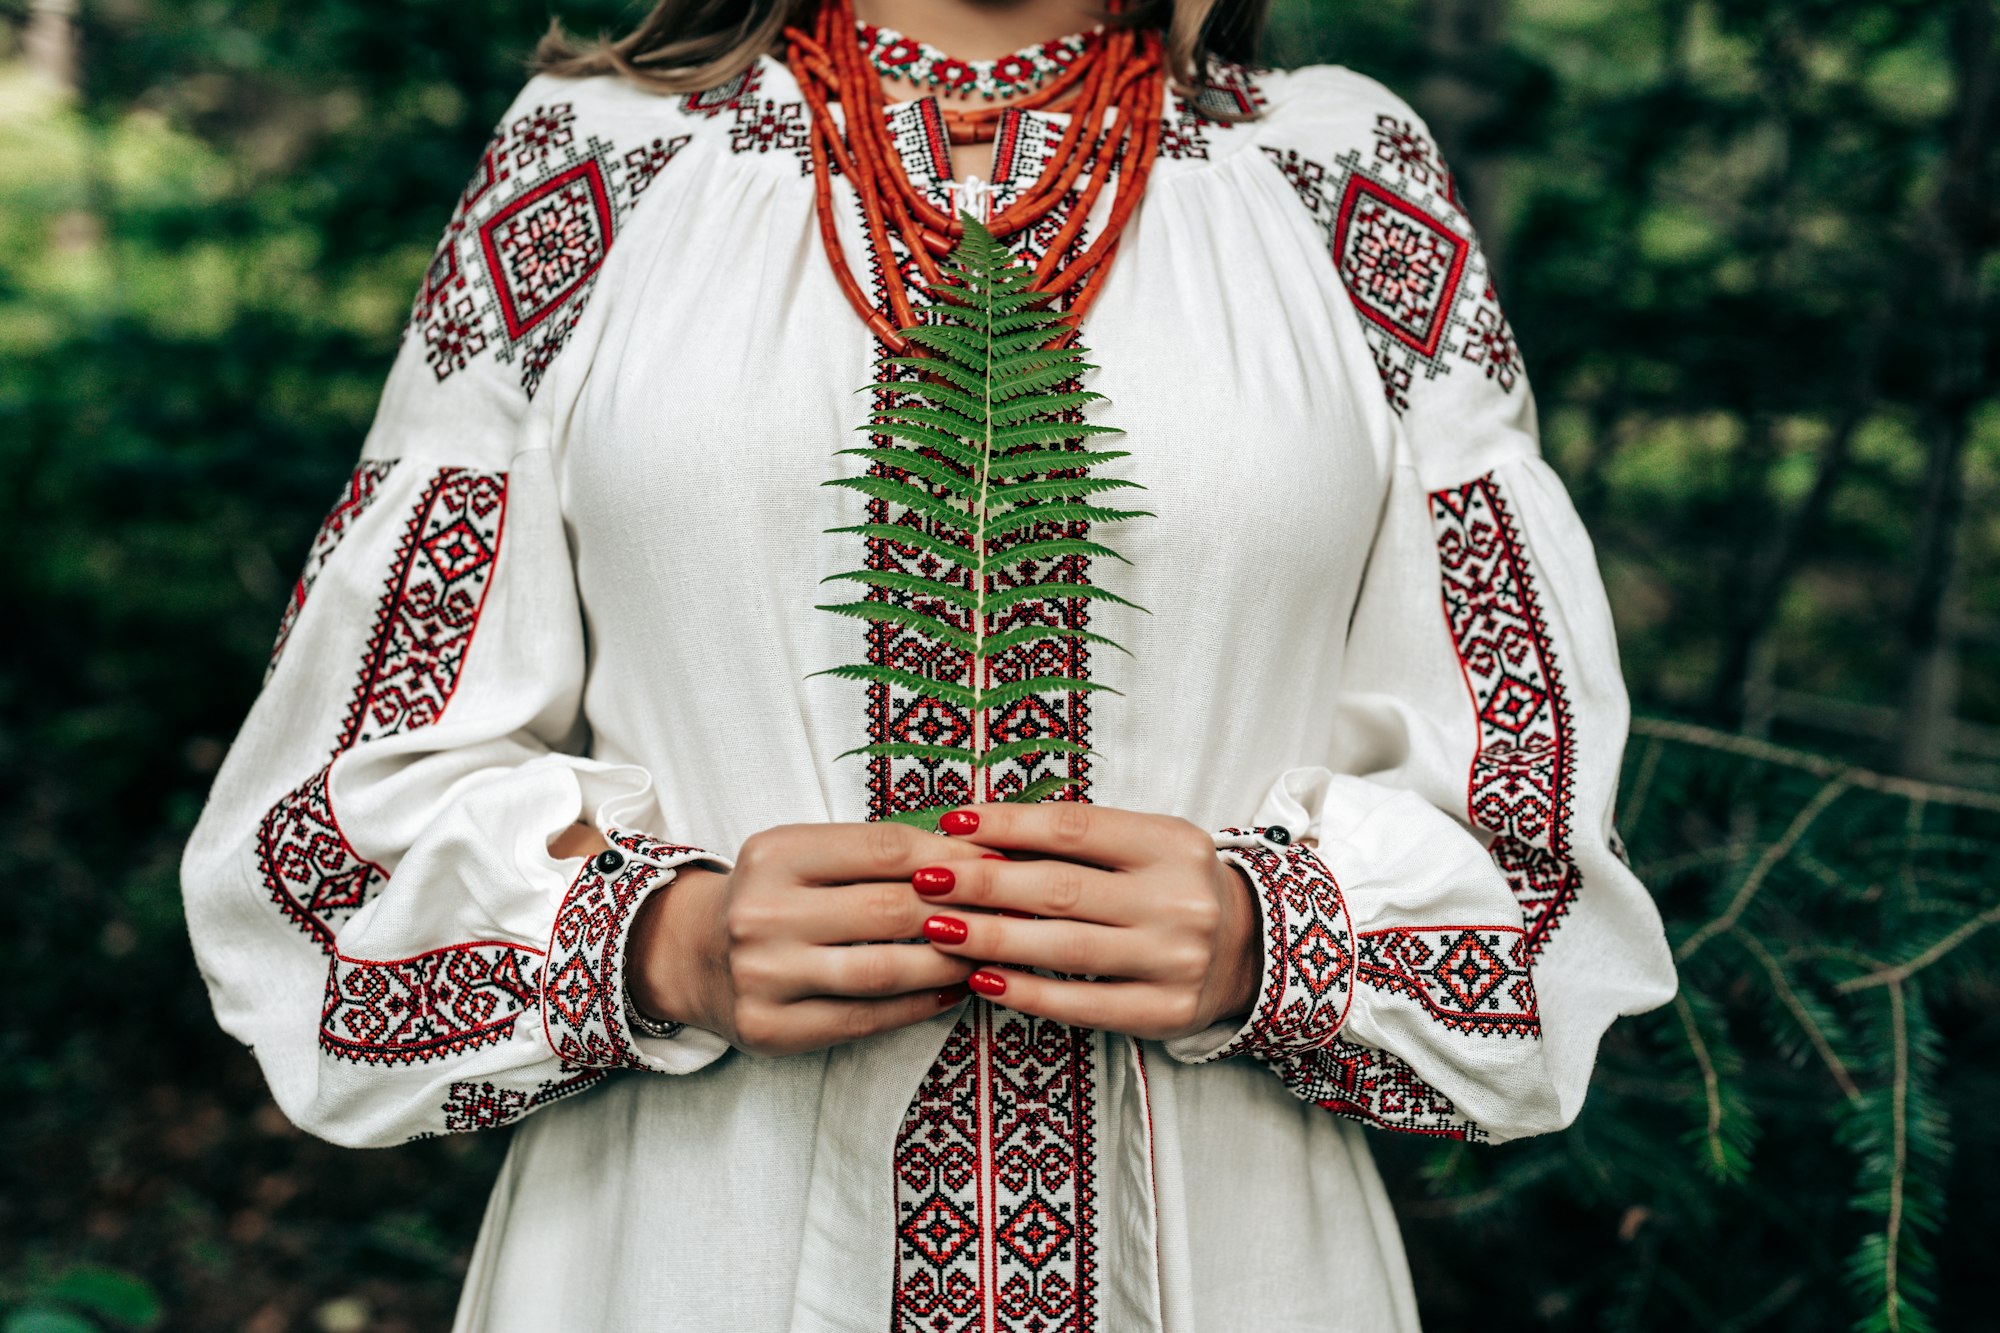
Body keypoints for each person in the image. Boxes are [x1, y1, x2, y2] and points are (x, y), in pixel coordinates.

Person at [180, 0, 1678, 1327]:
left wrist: (1265, 935)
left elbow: (1540, 879)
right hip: (681, 1258)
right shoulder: (596, 161)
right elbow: (327, 841)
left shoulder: (1342, 177)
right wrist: (658, 941)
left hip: (1236, 1263)